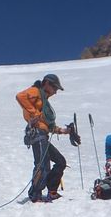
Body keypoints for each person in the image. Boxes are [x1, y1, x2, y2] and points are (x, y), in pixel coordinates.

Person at [15, 73, 70, 203]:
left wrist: (63, 131)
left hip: (43, 134)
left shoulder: (44, 100)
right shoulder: (36, 91)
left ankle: (51, 191)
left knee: (60, 161)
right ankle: (35, 194)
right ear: (47, 84)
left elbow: (48, 124)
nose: (55, 91)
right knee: (42, 164)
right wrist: (35, 113)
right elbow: (20, 96)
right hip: (37, 133)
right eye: (55, 88)